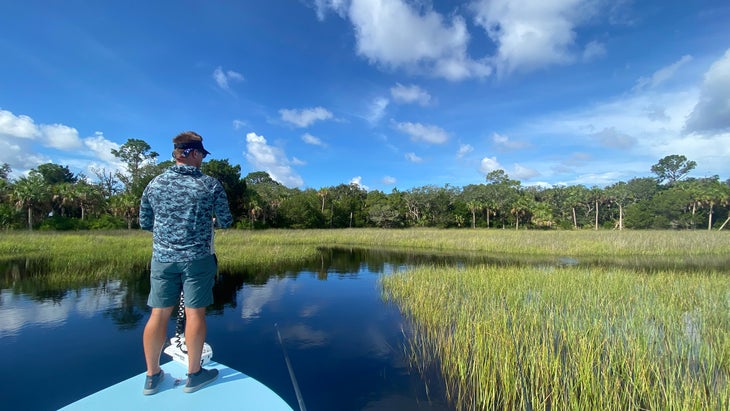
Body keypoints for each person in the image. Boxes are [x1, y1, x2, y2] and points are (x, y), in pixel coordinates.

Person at [139, 131, 232, 395]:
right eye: (201, 154)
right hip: (198, 260)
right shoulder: (210, 185)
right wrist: (208, 222)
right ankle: (194, 374)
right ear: (191, 153)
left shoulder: (154, 184)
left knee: (158, 313)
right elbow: (226, 220)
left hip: (162, 260)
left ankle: (152, 376)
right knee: (194, 313)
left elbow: (145, 223)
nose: (202, 159)